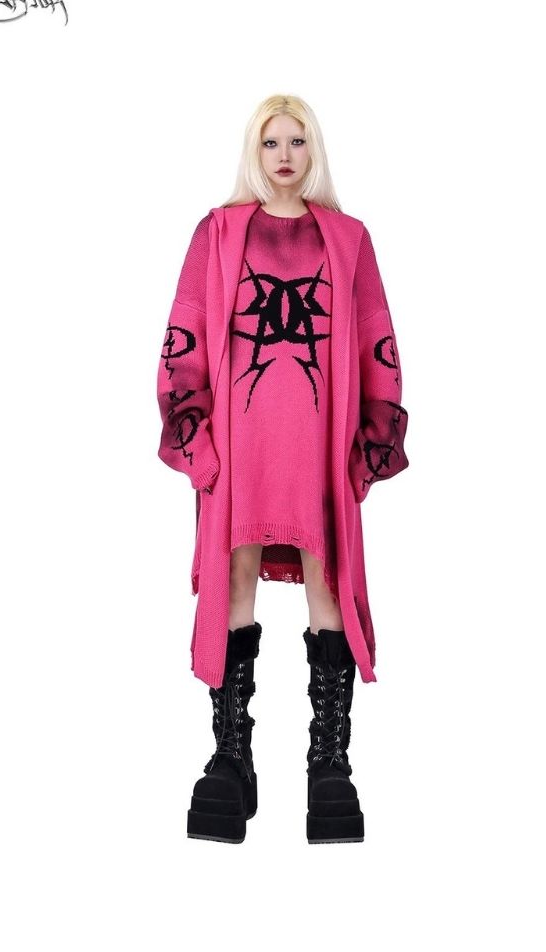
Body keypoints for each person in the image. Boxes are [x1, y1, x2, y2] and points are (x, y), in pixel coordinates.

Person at [156, 94, 409, 843]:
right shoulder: (217, 233)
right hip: (241, 449)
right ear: (254, 151)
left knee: (326, 577)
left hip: (320, 446)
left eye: (298, 141)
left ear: (314, 149)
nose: (285, 155)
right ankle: (231, 759)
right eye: (272, 142)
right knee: (235, 574)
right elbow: (184, 335)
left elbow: (377, 339)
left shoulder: (349, 239)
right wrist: (199, 443)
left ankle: (330, 764)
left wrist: (368, 444)